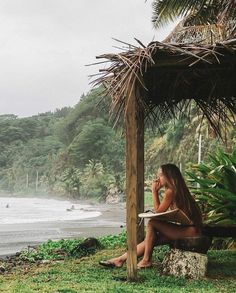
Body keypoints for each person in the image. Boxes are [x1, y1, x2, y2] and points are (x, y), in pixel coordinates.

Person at [99, 163, 202, 269]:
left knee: (152, 223)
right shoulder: (177, 189)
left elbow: (158, 212)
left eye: (161, 175)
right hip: (190, 230)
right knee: (150, 240)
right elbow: (160, 211)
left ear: (169, 176)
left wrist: (154, 191)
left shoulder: (170, 191)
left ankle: (146, 260)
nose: (158, 178)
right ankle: (120, 260)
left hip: (190, 231)